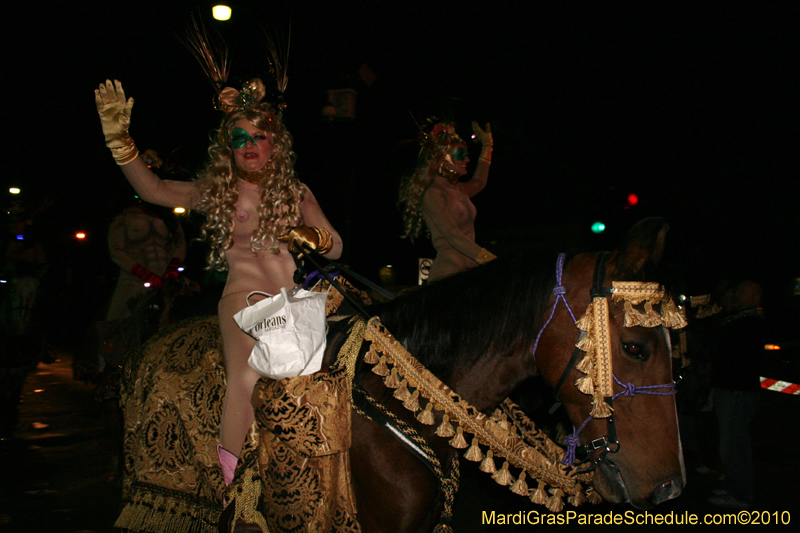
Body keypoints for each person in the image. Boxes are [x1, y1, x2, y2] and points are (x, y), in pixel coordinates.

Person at [94, 78, 343, 488]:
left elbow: (335, 250)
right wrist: (119, 141)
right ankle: (233, 487)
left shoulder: (297, 192)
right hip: (244, 297)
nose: (248, 144)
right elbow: (154, 189)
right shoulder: (219, 190)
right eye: (238, 138)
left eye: (258, 136)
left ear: (275, 144)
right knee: (245, 378)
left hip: (296, 302)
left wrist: (316, 237)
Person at [398, 119, 495, 282]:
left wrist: (488, 146)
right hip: (448, 276)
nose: (467, 160)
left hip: (471, 271)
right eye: (461, 155)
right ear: (443, 159)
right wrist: (490, 260)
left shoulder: (460, 190)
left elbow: (480, 182)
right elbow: (453, 236)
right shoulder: (433, 194)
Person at [707, 281, 765, 508]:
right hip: (731, 388)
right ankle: (734, 483)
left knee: (734, 444)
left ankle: (740, 493)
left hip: (736, 390)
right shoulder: (740, 319)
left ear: (754, 297)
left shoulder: (750, 322)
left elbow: (733, 356)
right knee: (730, 442)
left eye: (742, 292)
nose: (737, 295)